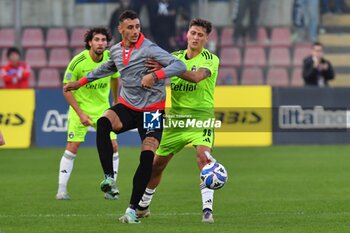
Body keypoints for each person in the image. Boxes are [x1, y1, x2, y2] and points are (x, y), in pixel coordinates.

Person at [63, 10, 186, 223]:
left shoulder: (149, 48)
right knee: (103, 123)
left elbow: (179, 65)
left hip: (152, 110)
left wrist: (155, 74)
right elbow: (104, 69)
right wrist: (79, 82)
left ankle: (132, 210)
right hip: (128, 106)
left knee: (147, 155)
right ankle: (109, 179)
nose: (135, 31)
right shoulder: (116, 51)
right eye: (130, 27)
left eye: (137, 26)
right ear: (120, 30)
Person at [136, 18, 220, 223]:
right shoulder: (173, 57)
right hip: (176, 121)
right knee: (157, 165)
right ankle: (143, 206)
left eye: (200, 34)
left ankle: (207, 210)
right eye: (193, 33)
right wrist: (160, 68)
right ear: (187, 34)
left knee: (204, 158)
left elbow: (196, 77)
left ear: (206, 38)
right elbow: (152, 73)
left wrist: (168, 68)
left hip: (201, 119)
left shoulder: (211, 59)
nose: (196, 37)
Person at [56, 27, 120, 200]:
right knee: (72, 146)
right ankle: (61, 190)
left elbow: (115, 78)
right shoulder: (78, 62)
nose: (100, 43)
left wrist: (115, 101)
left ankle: (110, 188)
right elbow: (66, 90)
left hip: (103, 111)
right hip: (81, 110)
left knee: (113, 147)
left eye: (103, 40)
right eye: (97, 40)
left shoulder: (110, 59)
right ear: (90, 42)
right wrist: (80, 113)